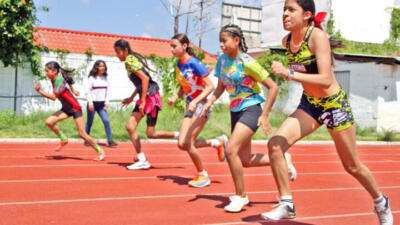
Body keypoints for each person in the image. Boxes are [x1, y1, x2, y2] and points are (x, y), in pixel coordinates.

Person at [261, 1, 393, 224]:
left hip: (334, 105)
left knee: (352, 166)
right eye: (284, 9)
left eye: (291, 9)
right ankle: (287, 204)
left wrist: (289, 74)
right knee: (275, 144)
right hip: (310, 104)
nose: (284, 14)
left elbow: (325, 79)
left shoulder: (317, 38)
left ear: (307, 15)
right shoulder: (286, 42)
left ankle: (381, 202)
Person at [201, 24, 297, 212]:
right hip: (235, 110)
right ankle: (283, 159)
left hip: (251, 108)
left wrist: (265, 114)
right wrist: (210, 101)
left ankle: (240, 196)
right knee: (244, 159)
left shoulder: (248, 62)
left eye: (224, 41)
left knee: (231, 151)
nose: (221, 45)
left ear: (236, 40)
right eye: (219, 41)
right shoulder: (222, 60)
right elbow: (221, 86)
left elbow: (273, 87)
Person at [169, 33, 227, 188]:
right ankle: (217, 142)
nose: (172, 50)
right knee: (182, 144)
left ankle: (203, 175)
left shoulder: (195, 63)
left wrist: (195, 101)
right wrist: (176, 97)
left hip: (201, 106)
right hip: (191, 106)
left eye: (174, 46)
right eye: (171, 46)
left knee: (188, 142)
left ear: (184, 46)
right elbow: (185, 85)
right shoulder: (179, 64)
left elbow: (210, 86)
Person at [114, 39, 179, 170]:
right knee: (144, 131)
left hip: (150, 97)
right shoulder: (130, 61)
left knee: (136, 128)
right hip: (147, 95)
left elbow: (145, 79)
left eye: (118, 52)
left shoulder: (129, 60)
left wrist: (142, 100)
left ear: (125, 50)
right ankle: (179, 135)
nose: (117, 55)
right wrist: (132, 97)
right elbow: (140, 82)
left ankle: (142, 159)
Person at [34, 61, 105, 161]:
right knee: (49, 122)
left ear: (54, 71)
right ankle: (64, 139)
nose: (46, 73)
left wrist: (39, 91)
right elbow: (68, 80)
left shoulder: (59, 81)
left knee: (82, 134)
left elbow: (54, 97)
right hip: (66, 109)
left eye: (47, 71)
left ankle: (100, 151)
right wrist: (73, 90)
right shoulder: (54, 78)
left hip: (75, 108)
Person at [84, 60, 118, 147]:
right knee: (89, 122)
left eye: (103, 66)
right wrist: (90, 103)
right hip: (93, 104)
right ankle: (86, 139)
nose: (102, 68)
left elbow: (108, 91)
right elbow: (87, 92)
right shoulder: (91, 78)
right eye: (100, 66)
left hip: (101, 104)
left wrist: (107, 102)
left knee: (106, 121)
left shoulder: (106, 78)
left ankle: (110, 141)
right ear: (96, 67)